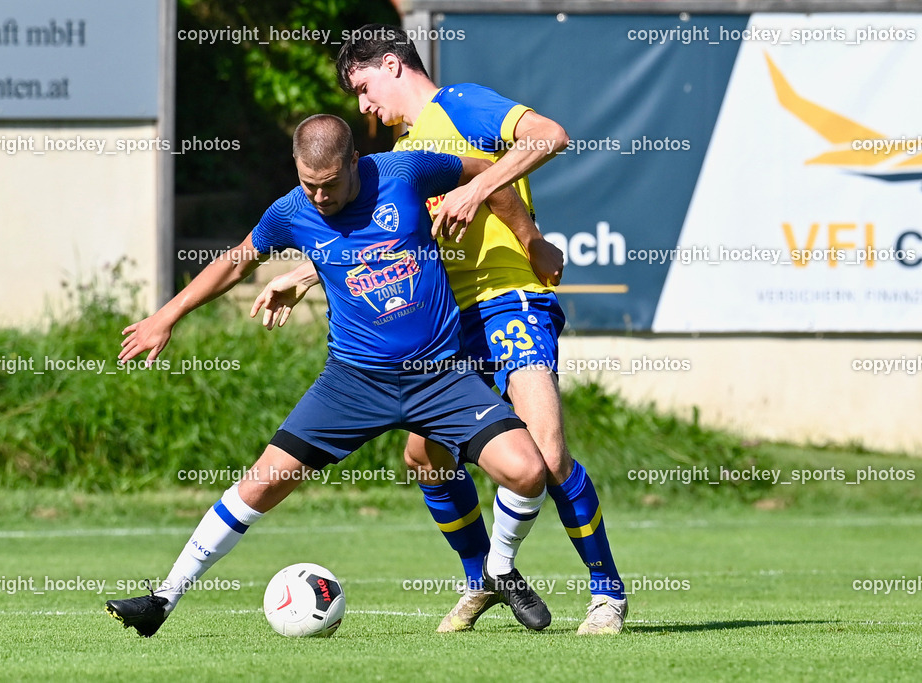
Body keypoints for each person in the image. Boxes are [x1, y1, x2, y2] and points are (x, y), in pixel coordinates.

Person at [105, 114, 554, 637]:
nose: (318, 197)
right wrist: (166, 316)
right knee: (261, 484)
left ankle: (498, 569)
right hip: (353, 382)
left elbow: (489, 174)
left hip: (440, 376)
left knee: (528, 471)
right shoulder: (289, 213)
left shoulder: (405, 172)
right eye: (307, 183)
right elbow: (235, 262)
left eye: (330, 184)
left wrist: (530, 240)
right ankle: (162, 599)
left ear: (355, 164)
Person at [259, 25, 627, 635]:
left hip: (507, 300)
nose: (363, 106)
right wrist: (305, 274)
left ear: (391, 65)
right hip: (448, 320)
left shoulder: (459, 105)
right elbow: (385, 243)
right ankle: (483, 576)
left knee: (547, 451)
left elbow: (549, 136)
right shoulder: (399, 156)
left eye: (363, 86)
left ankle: (606, 594)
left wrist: (489, 196)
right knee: (424, 454)